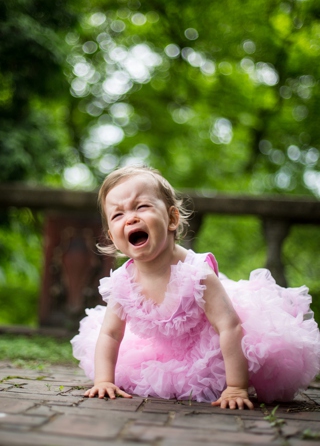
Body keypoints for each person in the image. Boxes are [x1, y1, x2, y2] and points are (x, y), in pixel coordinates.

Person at [71, 166, 320, 408]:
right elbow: (110, 334)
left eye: (142, 206)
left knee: (250, 347)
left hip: (209, 347)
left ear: (172, 218)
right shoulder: (123, 282)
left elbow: (229, 327)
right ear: (113, 237)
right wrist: (104, 380)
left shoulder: (197, 273)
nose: (131, 218)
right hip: (159, 351)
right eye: (118, 214)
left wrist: (236, 387)